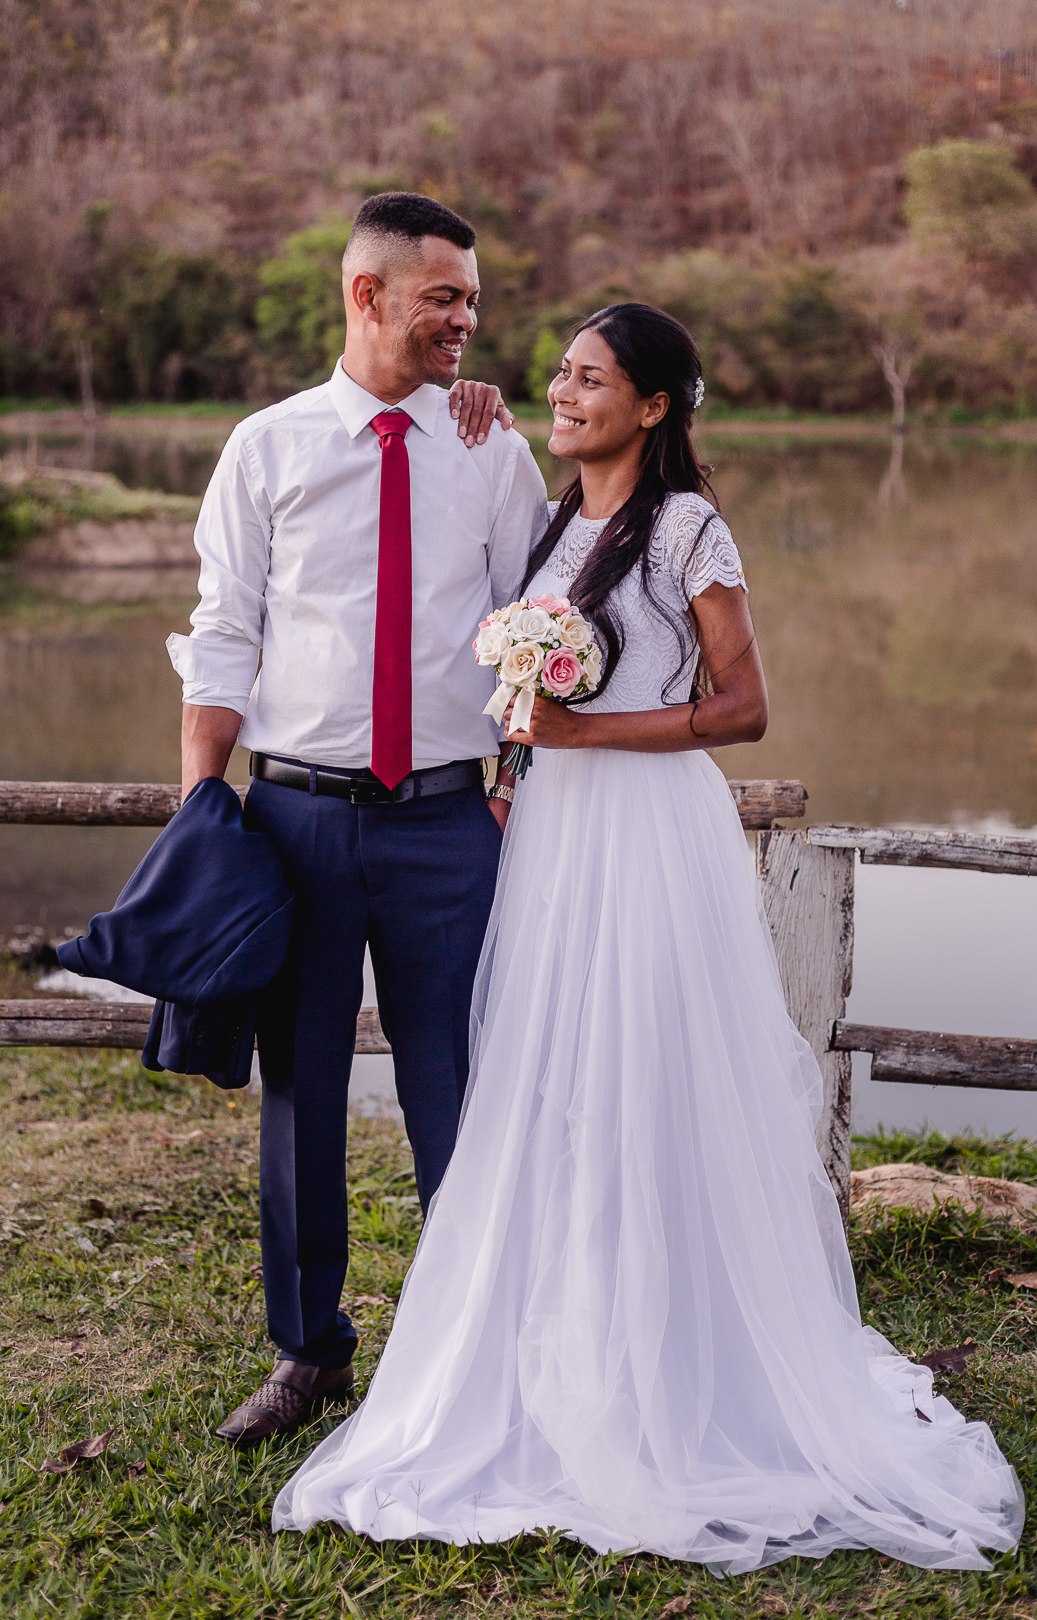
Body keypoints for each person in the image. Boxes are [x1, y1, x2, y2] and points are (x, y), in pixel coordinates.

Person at [272, 304, 1024, 1572]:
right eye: (561, 374)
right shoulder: (557, 521)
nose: (568, 394)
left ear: (658, 406)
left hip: (648, 838)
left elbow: (744, 708)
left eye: (594, 380)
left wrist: (583, 738)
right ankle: (565, 1337)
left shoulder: (686, 528)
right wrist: (525, 750)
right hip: (557, 836)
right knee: (552, 1081)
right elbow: (521, 660)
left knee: (648, 1072)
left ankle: (681, 1360)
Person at [166, 191, 548, 1447]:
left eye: (473, 299)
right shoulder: (265, 447)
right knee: (301, 1094)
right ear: (366, 295)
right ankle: (307, 1354)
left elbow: (531, 630)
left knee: (462, 1089)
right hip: (298, 824)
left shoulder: (492, 448)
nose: (467, 321)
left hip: (450, 825)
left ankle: (472, 1354)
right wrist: (197, 817)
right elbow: (224, 635)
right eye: (443, 296)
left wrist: (514, 780)